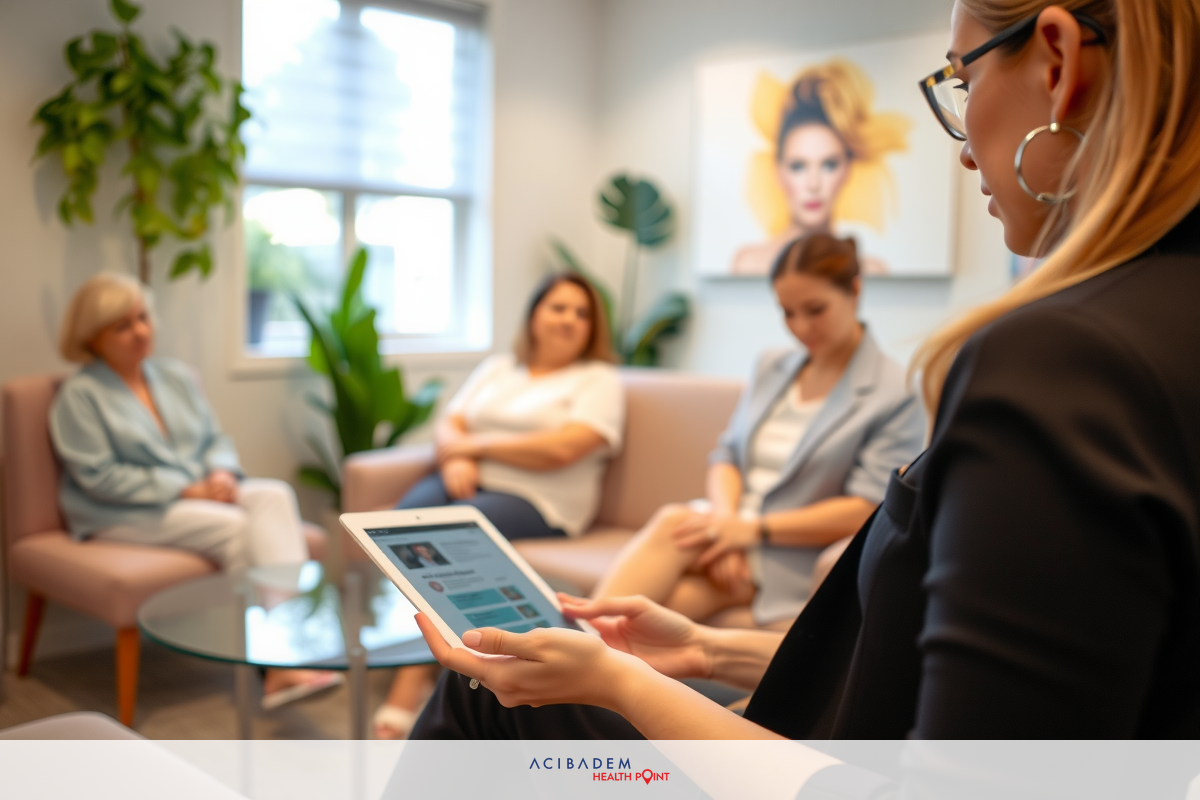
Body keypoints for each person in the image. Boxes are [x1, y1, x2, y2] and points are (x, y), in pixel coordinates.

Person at [404, 0, 1200, 751]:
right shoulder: (1149, 328)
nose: (960, 144)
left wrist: (622, 684)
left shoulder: (1062, 362)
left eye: (962, 80)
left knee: (487, 691)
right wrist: (710, 649)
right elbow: (915, 684)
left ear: (1057, 61)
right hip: (792, 665)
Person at [594, 233, 924, 630]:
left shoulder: (896, 391)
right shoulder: (772, 366)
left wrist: (749, 532)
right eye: (787, 312)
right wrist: (725, 525)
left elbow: (865, 506)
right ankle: (574, 661)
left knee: (665, 548)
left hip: (794, 550)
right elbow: (727, 456)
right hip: (727, 526)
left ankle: (569, 650)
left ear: (855, 289)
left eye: (815, 310)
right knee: (669, 548)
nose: (800, 327)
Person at [50, 273, 339, 709]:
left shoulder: (174, 377)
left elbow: (213, 439)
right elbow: (100, 477)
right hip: (118, 512)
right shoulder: (80, 396)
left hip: (199, 493)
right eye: (122, 326)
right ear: (92, 337)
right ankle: (281, 660)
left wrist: (222, 472)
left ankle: (285, 648)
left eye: (143, 318)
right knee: (238, 530)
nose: (141, 332)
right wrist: (190, 490)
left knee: (273, 494)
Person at [374, 272, 624, 738]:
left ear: (593, 326)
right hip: (466, 481)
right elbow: (451, 421)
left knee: (443, 543)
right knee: (391, 533)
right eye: (558, 307)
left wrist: (476, 448)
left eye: (581, 312)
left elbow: (563, 448)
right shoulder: (499, 367)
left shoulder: (598, 379)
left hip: (540, 499)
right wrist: (454, 459)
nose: (569, 319)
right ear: (534, 314)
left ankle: (406, 690)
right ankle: (410, 652)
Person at [732, 60, 909, 277]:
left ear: (847, 171)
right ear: (778, 172)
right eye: (798, 166)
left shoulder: (869, 271)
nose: (813, 184)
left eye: (829, 165)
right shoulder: (749, 264)